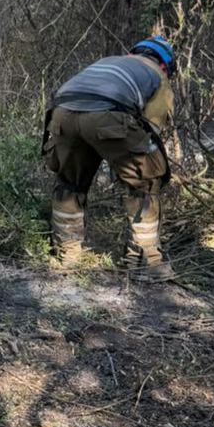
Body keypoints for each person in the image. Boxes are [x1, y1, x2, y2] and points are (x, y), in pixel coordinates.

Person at [42, 35, 176, 282]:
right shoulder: (159, 76)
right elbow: (150, 131)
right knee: (146, 181)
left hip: (62, 112)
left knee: (70, 182)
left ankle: (66, 255)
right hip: (107, 114)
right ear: (164, 64)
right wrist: (129, 166)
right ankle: (145, 263)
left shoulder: (108, 62)